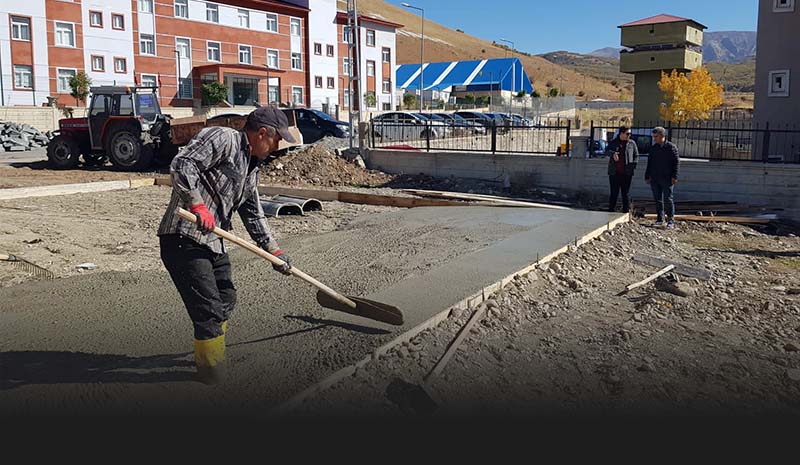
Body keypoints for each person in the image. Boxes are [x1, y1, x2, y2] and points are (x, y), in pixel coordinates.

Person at [157, 106, 296, 384]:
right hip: (184, 237)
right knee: (208, 310)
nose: (278, 146)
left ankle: (212, 349)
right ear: (262, 133)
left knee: (226, 299)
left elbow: (253, 213)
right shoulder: (223, 138)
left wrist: (274, 251)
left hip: (214, 242)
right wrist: (197, 204)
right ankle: (212, 375)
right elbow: (183, 164)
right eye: (277, 140)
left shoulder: (251, 167)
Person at [644, 126, 680, 229]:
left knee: (668, 199)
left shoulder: (671, 148)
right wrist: (647, 175)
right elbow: (649, 163)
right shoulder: (654, 148)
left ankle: (670, 220)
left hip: (667, 178)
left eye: (656, 136)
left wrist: (675, 176)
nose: (654, 138)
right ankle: (660, 219)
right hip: (655, 178)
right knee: (657, 199)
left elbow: (676, 163)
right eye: (653, 136)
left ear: (662, 136)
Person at [605, 126, 639, 213]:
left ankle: (625, 212)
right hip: (614, 173)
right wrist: (613, 154)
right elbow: (606, 151)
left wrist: (633, 166)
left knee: (626, 193)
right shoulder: (614, 142)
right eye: (627, 133)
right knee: (614, 193)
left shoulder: (632, 143)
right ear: (621, 134)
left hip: (627, 173)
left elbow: (636, 155)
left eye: (630, 134)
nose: (629, 135)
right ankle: (611, 211)